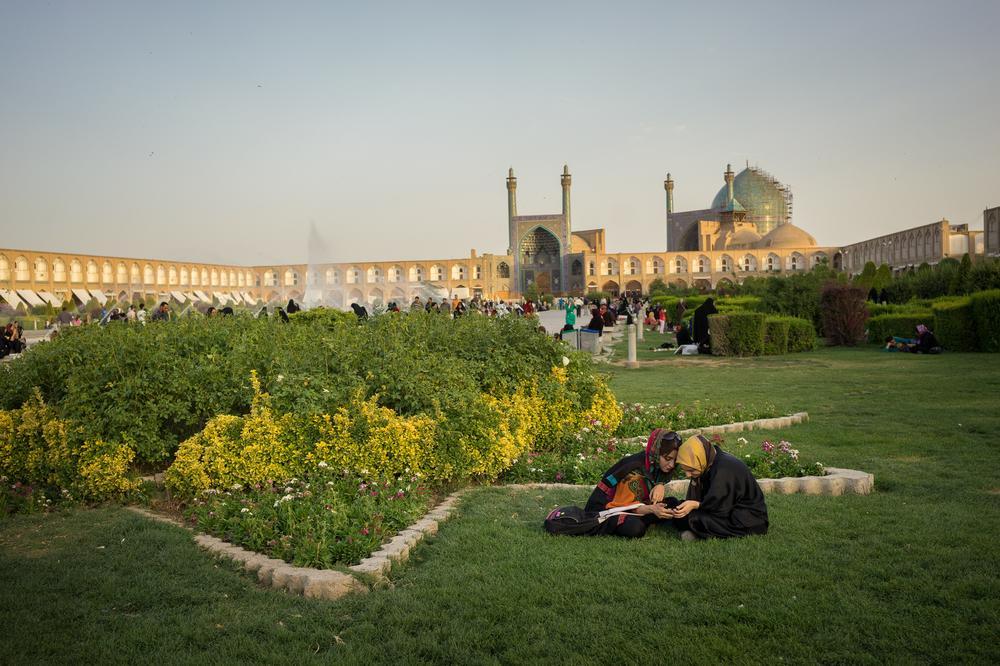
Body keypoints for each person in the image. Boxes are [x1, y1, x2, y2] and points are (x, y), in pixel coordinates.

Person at [583, 429, 683, 537]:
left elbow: (663, 476)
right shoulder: (633, 470)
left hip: (637, 505)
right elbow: (627, 507)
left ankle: (650, 518)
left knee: (672, 503)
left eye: (675, 460)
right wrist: (652, 509)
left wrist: (660, 484)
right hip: (608, 510)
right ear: (656, 452)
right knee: (635, 528)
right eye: (667, 458)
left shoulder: (653, 462)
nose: (672, 465)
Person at [667, 434, 769, 540]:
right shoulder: (708, 461)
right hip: (724, 512)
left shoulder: (723, 470)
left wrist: (696, 505)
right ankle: (694, 529)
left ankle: (697, 533)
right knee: (675, 507)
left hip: (746, 521)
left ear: (701, 459)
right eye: (685, 470)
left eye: (691, 470)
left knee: (693, 519)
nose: (688, 475)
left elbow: (720, 509)